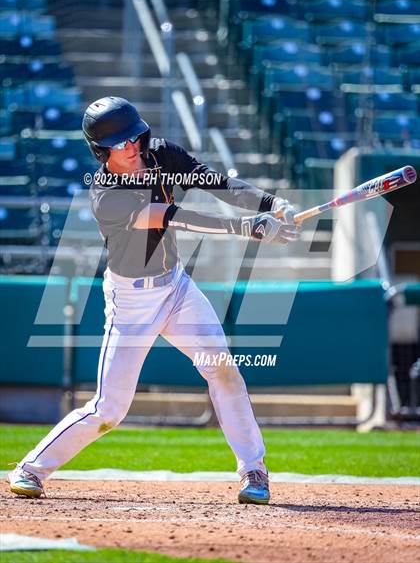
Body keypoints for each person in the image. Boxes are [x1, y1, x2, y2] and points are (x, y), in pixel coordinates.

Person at [8, 96, 300, 504]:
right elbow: (169, 215)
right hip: (131, 304)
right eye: (120, 143)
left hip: (177, 288)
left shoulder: (161, 154)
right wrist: (246, 227)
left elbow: (213, 181)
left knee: (224, 369)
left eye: (134, 138)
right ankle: (31, 469)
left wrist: (271, 204)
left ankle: (254, 469)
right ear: (100, 150)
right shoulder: (105, 196)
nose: (132, 148)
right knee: (109, 410)